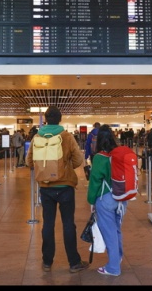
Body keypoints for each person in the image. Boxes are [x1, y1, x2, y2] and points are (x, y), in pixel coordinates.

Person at [25, 106, 89, 274]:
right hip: (65, 186)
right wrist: (66, 168)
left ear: (45, 119)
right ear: (60, 119)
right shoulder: (66, 136)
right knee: (68, 223)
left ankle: (47, 261)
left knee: (48, 223)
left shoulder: (37, 136)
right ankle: (74, 263)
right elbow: (78, 159)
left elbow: (29, 161)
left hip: (46, 187)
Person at [87, 124, 125, 277]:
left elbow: (95, 181)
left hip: (106, 198)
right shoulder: (119, 154)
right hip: (122, 198)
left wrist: (91, 200)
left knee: (108, 232)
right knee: (116, 230)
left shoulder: (100, 157)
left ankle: (113, 267)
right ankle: (118, 257)